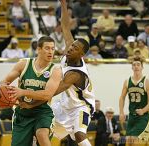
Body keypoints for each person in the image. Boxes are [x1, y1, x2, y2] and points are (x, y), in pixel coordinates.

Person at [20, 0, 95, 145]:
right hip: (64, 104)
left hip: (80, 106)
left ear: (81, 55)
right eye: (72, 45)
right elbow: (66, 27)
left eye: (75, 48)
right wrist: (64, 6)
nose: (71, 48)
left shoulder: (75, 74)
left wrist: (30, 102)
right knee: (40, 128)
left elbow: (51, 92)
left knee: (79, 135)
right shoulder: (69, 51)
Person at [1, 36, 62, 146]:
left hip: (42, 112)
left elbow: (47, 95)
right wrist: (7, 95)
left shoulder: (55, 70)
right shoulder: (23, 64)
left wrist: (23, 92)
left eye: (53, 49)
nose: (51, 52)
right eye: (47, 48)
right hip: (22, 113)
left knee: (42, 135)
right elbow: (4, 82)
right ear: (38, 49)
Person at [119, 57, 149, 145]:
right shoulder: (127, 81)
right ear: (132, 67)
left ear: (142, 67)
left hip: (144, 116)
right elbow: (122, 98)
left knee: (134, 141)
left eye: (138, 64)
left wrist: (143, 110)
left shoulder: (147, 81)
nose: (136, 66)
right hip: (132, 115)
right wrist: (121, 112)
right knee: (128, 141)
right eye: (134, 65)